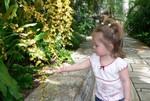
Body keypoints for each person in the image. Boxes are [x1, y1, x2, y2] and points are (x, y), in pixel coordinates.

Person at [56, 18, 130, 101]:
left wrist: (127, 98)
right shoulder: (95, 58)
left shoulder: (119, 64)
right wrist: (66, 68)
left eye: (96, 45)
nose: (93, 47)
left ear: (109, 47)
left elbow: (125, 81)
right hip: (99, 97)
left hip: (117, 99)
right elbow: (81, 65)